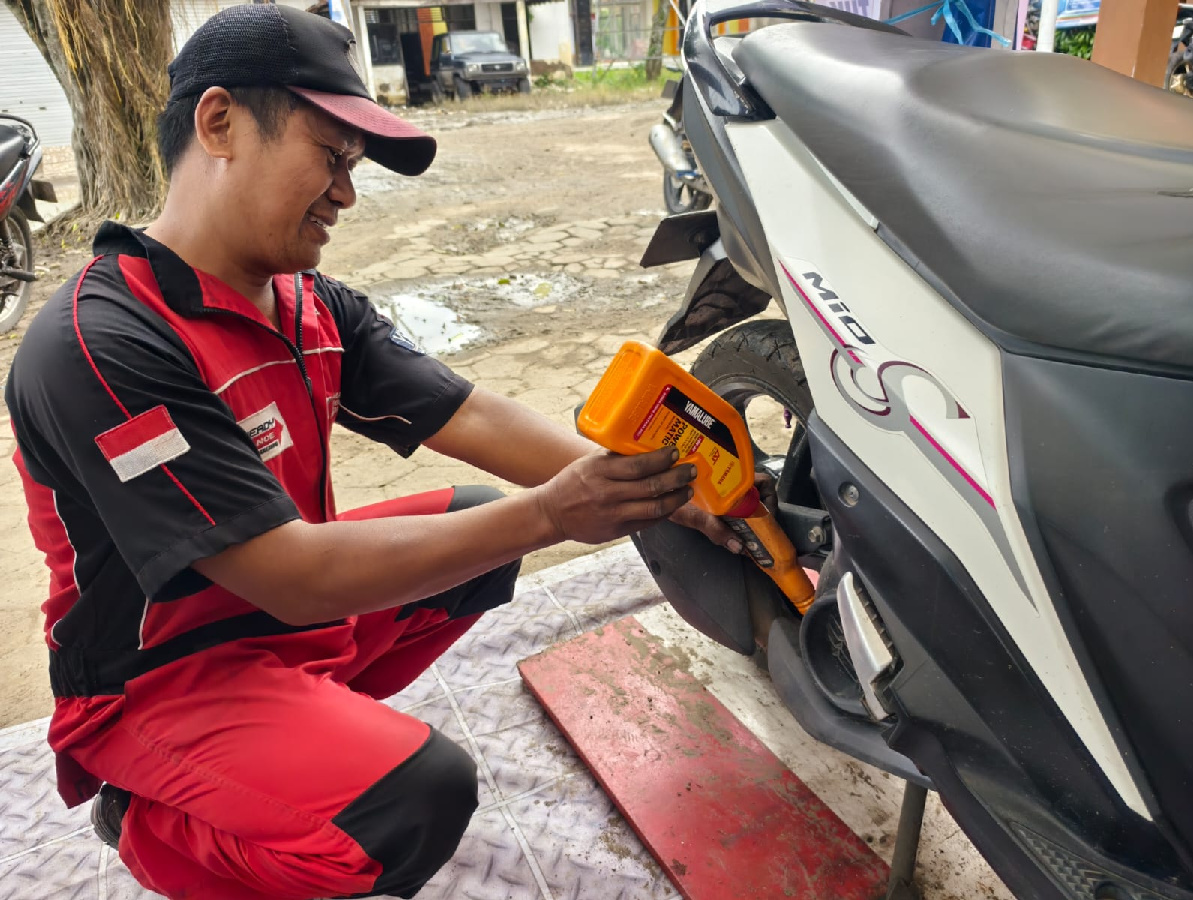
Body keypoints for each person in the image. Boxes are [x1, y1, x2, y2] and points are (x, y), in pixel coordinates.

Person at [5, 6, 747, 899]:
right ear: (219, 123)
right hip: (161, 678)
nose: (347, 195)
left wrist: (666, 491)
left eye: (353, 169)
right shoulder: (101, 341)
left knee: (481, 532)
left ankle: (302, 741)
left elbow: (466, 413)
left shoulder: (307, 304)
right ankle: (154, 820)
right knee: (417, 797)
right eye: (330, 156)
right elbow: (291, 576)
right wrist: (554, 514)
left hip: (283, 631)